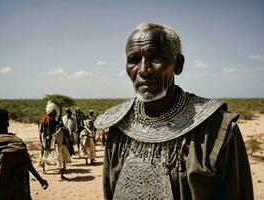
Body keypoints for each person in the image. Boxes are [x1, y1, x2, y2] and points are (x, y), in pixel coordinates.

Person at [94, 22, 253, 200]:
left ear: (178, 64)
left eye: (156, 58)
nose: (143, 69)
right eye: (134, 59)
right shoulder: (119, 125)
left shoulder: (215, 128)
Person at [0, 108, 48, 200]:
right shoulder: (17, 142)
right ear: (7, 123)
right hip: (19, 192)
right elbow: (28, 163)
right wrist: (40, 180)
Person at [39, 101, 71, 179]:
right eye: (55, 111)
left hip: (47, 140)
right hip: (54, 141)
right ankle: (62, 174)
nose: (56, 113)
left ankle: (44, 167)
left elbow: (42, 132)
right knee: (60, 155)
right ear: (52, 112)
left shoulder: (45, 120)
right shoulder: (50, 120)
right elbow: (53, 132)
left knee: (45, 153)